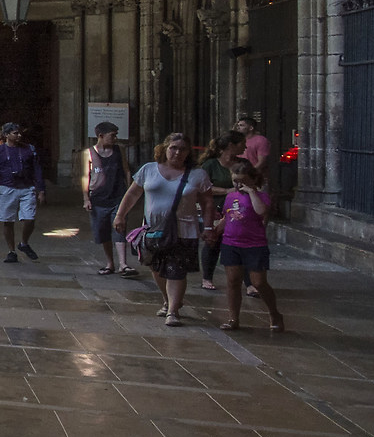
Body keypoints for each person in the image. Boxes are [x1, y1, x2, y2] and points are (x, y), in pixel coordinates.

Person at [113, 132, 209, 326]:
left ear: (188, 152)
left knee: (176, 270)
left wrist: (208, 226)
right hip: (153, 231)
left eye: (182, 149)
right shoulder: (148, 170)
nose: (177, 152)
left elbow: (207, 202)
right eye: (173, 148)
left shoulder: (198, 175)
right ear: (164, 149)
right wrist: (120, 215)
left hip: (184, 230)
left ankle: (172, 312)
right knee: (157, 268)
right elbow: (132, 194)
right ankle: (168, 300)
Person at [218, 160, 283, 333]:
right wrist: (215, 231)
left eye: (242, 181)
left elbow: (261, 211)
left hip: (254, 244)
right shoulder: (230, 196)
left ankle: (274, 313)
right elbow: (227, 216)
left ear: (253, 180)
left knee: (259, 282)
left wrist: (251, 192)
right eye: (235, 181)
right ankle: (233, 318)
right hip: (231, 242)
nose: (238, 185)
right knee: (233, 281)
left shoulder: (261, 197)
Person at [0, 121, 44, 263]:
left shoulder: (29, 149)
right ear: (6, 135)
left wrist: (41, 190)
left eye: (20, 133)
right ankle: (11, 250)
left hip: (26, 187)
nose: (19, 135)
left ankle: (24, 243)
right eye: (15, 133)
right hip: (7, 187)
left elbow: (37, 170)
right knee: (7, 220)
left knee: (29, 218)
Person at [80, 123, 134, 278]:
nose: (115, 138)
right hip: (98, 198)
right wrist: (86, 199)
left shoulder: (119, 151)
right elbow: (86, 176)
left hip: (118, 196)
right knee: (103, 231)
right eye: (112, 135)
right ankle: (110, 263)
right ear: (101, 136)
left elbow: (126, 170)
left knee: (120, 228)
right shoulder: (89, 153)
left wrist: (129, 192)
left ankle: (123, 264)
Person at [198, 131, 246, 294]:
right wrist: (227, 190)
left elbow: (253, 181)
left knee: (241, 244)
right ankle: (207, 278)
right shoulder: (210, 165)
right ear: (231, 146)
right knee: (213, 242)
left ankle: (248, 282)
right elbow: (203, 187)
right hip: (216, 209)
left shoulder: (243, 163)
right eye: (241, 144)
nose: (245, 146)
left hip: (239, 209)